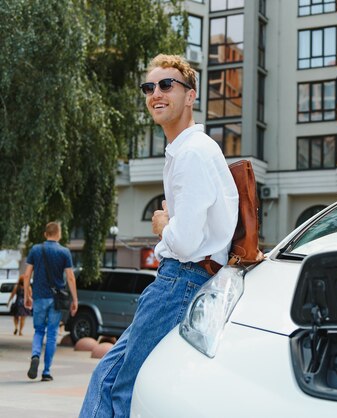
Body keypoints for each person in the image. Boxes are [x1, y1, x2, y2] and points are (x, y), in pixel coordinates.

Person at [80, 54, 239, 417]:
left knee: (116, 383)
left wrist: (162, 225)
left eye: (167, 85)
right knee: (117, 377)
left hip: (180, 280)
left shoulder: (192, 154)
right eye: (149, 87)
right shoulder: (187, 151)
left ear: (191, 95)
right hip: (184, 280)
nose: (156, 93)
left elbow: (183, 242)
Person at [23, 221, 78, 381]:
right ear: (59, 234)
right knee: (52, 334)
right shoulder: (64, 252)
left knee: (39, 331)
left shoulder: (35, 250)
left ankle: (35, 356)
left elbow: (27, 275)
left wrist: (27, 295)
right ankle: (46, 372)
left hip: (39, 297)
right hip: (56, 300)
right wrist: (74, 299)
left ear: (45, 234)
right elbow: (70, 277)